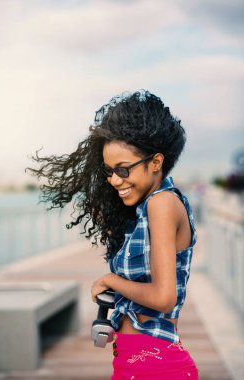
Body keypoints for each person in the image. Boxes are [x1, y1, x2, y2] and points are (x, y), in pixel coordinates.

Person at [28, 90, 199, 379]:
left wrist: (111, 281)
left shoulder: (162, 204)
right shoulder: (149, 208)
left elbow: (163, 296)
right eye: (109, 171)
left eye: (123, 170)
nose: (114, 180)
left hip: (155, 365)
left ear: (156, 162)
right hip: (137, 360)